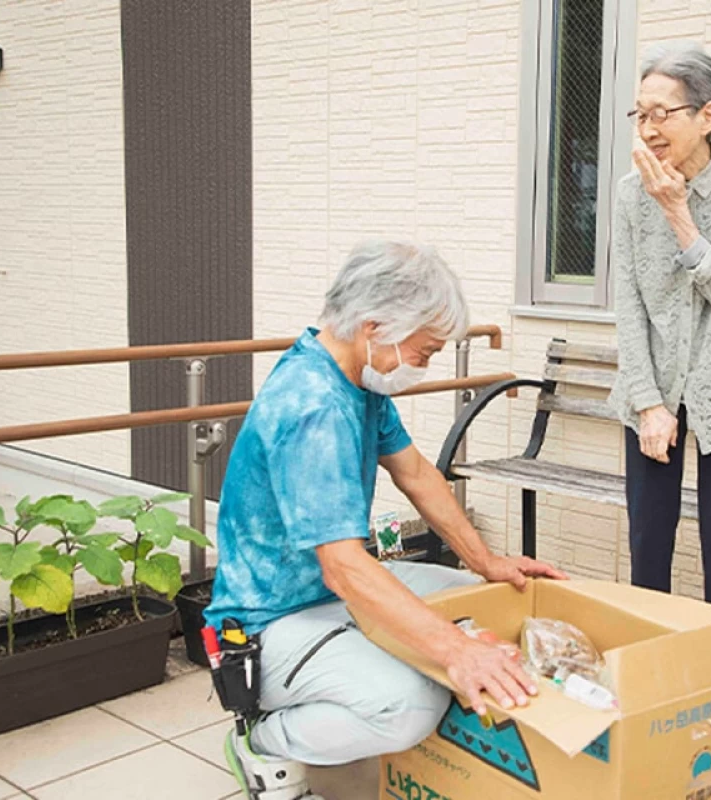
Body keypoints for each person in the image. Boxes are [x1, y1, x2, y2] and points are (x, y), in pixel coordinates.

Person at [204, 240, 565, 800]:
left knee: (476, 599)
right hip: (268, 621)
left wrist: (486, 562)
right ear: (374, 327)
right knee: (412, 705)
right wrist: (454, 652)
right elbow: (344, 568)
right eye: (424, 352)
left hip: (327, 593)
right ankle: (264, 739)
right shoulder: (313, 406)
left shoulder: (354, 378)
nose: (424, 366)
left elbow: (417, 473)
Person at [609, 41, 711, 613]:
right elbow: (627, 304)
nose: (649, 129)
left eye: (663, 113)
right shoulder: (629, 194)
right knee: (648, 541)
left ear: (708, 116)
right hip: (650, 384)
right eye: (641, 114)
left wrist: (677, 211)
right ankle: (652, 662)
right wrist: (648, 403)